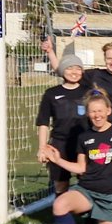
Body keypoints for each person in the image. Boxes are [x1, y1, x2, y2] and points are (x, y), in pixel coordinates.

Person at [43, 90, 112, 224]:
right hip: (87, 189)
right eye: (93, 111)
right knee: (60, 205)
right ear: (88, 113)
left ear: (108, 111)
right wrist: (58, 160)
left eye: (100, 111)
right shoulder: (84, 137)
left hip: (111, 195)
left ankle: (100, 216)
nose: (97, 115)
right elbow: (81, 168)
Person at [43, 37, 112, 130]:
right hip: (95, 127)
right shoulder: (94, 75)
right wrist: (50, 52)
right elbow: (64, 72)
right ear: (104, 58)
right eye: (109, 58)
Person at [35, 54, 88, 196]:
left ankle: (88, 215)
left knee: (87, 179)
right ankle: (62, 214)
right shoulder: (51, 94)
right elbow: (43, 122)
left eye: (78, 69)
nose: (74, 72)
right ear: (63, 70)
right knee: (61, 183)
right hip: (59, 143)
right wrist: (42, 148)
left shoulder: (88, 92)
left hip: (84, 142)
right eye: (70, 68)